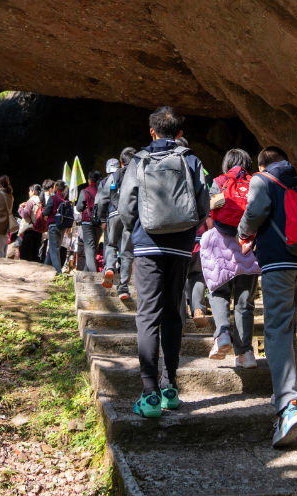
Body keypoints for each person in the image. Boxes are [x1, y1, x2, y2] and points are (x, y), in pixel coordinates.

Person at [119, 106, 209, 419]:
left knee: (147, 315)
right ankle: (170, 388)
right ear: (179, 133)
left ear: (152, 131)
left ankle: (149, 395)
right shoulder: (191, 160)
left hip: (147, 246)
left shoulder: (139, 159)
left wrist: (139, 231)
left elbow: (126, 204)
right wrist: (186, 231)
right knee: (174, 313)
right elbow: (203, 203)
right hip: (182, 248)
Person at [237, 146, 297, 447]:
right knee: (287, 327)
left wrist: (243, 233)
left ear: (262, 165)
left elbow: (256, 211)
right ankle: (288, 392)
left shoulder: (262, 180)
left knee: (275, 329)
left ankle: (288, 408)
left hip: (279, 260)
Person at [201, 148, 261, 369]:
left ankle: (223, 333)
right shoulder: (256, 182)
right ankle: (245, 353)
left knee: (218, 291)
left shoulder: (218, 181)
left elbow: (210, 215)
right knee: (245, 302)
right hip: (248, 246)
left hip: (222, 244)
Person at [100, 149, 137, 300]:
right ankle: (123, 288)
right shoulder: (138, 174)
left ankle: (109, 268)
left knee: (111, 244)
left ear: (121, 161)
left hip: (114, 214)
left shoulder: (114, 175)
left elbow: (103, 198)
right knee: (127, 252)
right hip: (130, 216)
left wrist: (102, 218)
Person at [75, 171, 102, 272]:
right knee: (93, 248)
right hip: (99, 223)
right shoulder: (102, 191)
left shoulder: (85, 191)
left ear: (89, 180)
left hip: (87, 222)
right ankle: (85, 274)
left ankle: (93, 275)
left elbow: (79, 208)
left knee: (89, 248)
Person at [42, 180, 71, 274]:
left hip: (53, 226)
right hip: (62, 227)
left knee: (54, 249)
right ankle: (44, 269)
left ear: (56, 187)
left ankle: (58, 273)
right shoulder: (66, 200)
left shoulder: (53, 198)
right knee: (53, 248)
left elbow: (45, 212)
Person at [18, 184, 45, 262]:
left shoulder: (31, 201)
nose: (29, 193)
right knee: (34, 256)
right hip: (39, 232)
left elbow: (24, 214)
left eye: (29, 191)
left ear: (33, 191)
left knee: (25, 257)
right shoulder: (42, 201)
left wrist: (20, 207)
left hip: (30, 231)